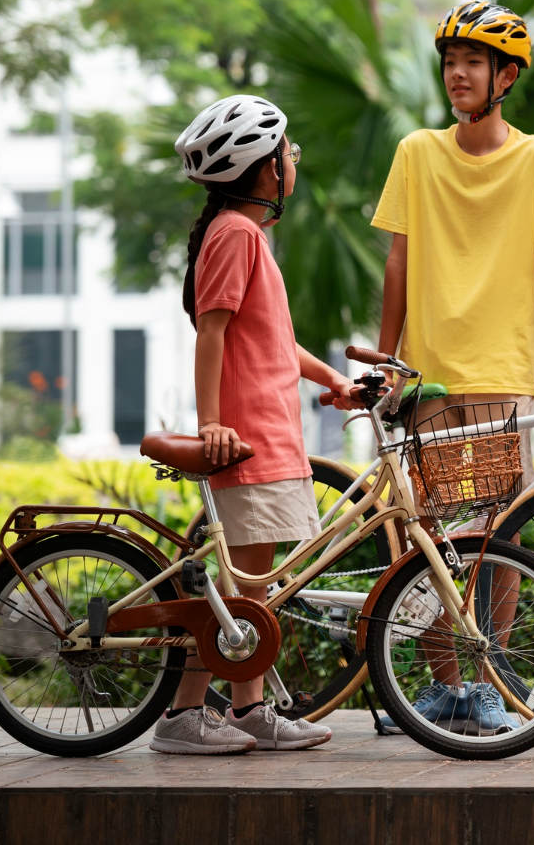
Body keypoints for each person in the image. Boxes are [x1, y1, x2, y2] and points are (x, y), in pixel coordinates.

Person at [368, 1, 534, 736]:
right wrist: (389, 362)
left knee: (501, 536)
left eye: (473, 62)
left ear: (505, 75)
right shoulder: (417, 151)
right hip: (428, 373)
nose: (457, 73)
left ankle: (487, 679)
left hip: (505, 368)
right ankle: (441, 688)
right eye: (450, 62)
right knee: (431, 535)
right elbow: (399, 260)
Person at [149, 94, 360, 755]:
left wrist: (334, 381)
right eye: (287, 150)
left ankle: (247, 709)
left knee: (251, 589)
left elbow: (272, 343)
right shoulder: (237, 235)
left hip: (267, 436)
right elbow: (210, 334)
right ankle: (183, 718)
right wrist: (211, 425)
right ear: (267, 170)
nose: (293, 158)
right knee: (242, 589)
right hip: (245, 440)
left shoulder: (246, 235)